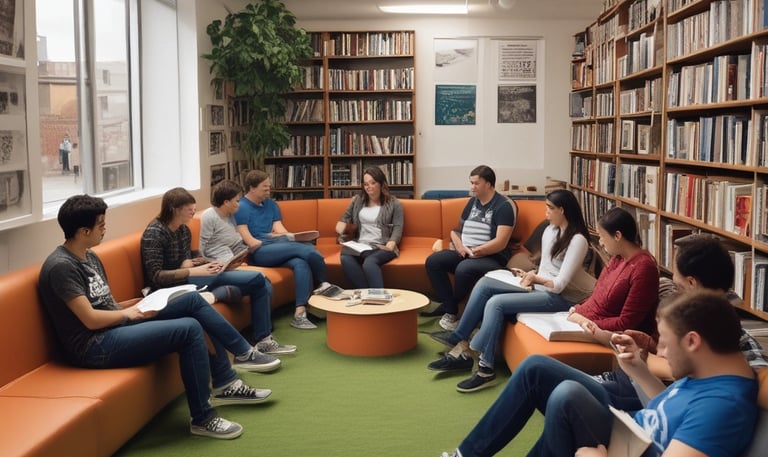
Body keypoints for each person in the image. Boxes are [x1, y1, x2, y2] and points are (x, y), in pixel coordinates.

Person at [439, 233, 767, 457]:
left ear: (694, 341)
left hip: (626, 444)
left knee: (567, 395)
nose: (660, 352)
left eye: (664, 344)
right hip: (632, 428)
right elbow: (668, 406)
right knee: (543, 373)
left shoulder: (723, 392)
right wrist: (639, 366)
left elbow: (742, 388)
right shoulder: (710, 367)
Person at [39, 195, 278, 440]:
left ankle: (235, 367)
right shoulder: (62, 267)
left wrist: (138, 306)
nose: (104, 228)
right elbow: (90, 320)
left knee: (191, 300)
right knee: (188, 328)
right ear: (83, 230)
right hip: (94, 345)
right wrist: (128, 314)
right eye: (100, 224)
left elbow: (104, 305)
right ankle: (203, 418)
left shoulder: (89, 256)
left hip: (113, 327)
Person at [428, 189, 594, 392]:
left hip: (562, 298)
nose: (546, 213)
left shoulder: (578, 240)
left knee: (496, 303)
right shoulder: (550, 230)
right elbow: (546, 268)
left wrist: (535, 278)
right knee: (485, 283)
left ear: (562, 210)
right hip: (540, 288)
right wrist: (529, 274)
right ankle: (458, 336)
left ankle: (483, 367)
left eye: (550, 208)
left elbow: (559, 284)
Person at [141, 187, 294, 355]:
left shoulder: (184, 230)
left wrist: (208, 263)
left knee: (261, 281)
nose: (193, 213)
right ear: (174, 209)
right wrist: (195, 271)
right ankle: (261, 337)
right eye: (189, 209)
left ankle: (262, 338)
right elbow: (156, 277)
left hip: (193, 276)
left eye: (194, 209)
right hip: (173, 286)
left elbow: (185, 261)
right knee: (257, 279)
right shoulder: (154, 233)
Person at [235, 169, 331, 330]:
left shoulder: (271, 204)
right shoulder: (240, 207)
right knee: (307, 250)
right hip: (260, 252)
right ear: (252, 188)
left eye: (269, 186)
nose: (268, 190)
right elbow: (251, 242)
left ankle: (300, 313)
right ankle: (323, 284)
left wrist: (291, 236)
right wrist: (272, 238)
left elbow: (280, 230)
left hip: (277, 246)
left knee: (300, 262)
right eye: (264, 187)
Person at [423, 165, 516, 331]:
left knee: (463, 268)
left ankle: (458, 311)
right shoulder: (472, 202)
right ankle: (450, 308)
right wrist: (460, 247)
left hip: (492, 256)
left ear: (488, 184)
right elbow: (457, 230)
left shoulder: (503, 206)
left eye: (476, 183)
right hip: (467, 251)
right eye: (471, 183)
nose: (472, 187)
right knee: (433, 261)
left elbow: (501, 242)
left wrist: (478, 250)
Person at [335, 167, 404, 289]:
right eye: (366, 184)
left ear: (381, 184)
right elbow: (345, 218)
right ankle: (367, 293)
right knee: (345, 257)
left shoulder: (394, 203)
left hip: (381, 246)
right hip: (361, 244)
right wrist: (341, 228)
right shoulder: (357, 200)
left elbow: (398, 227)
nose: (369, 187)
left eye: (373, 183)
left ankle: (377, 297)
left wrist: (392, 243)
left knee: (369, 263)